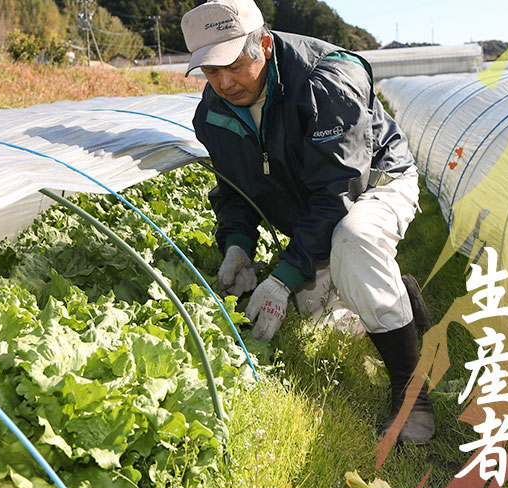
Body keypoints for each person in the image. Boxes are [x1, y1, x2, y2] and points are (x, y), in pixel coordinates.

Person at [181, 0, 435, 444]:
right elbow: (234, 189)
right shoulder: (213, 112)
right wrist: (238, 244)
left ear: (262, 43)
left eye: (234, 65)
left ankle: (411, 391)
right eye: (209, 72)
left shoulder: (327, 80)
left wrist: (284, 276)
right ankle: (402, 299)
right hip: (310, 201)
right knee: (318, 308)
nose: (223, 82)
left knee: (353, 243)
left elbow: (338, 192)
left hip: (374, 182)